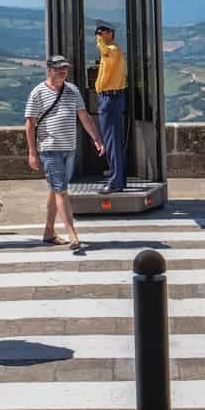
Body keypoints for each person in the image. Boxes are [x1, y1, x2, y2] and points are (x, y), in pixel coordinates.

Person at [24, 54, 104, 255]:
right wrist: (32, 152)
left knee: (55, 189)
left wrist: (96, 138)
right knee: (61, 191)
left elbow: (83, 115)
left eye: (65, 68)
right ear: (49, 69)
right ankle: (72, 234)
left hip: (69, 148)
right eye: (59, 68)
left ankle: (48, 232)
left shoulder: (72, 90)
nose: (63, 71)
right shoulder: (38, 92)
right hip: (49, 149)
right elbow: (30, 124)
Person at [94, 22, 127, 193]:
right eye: (97, 33)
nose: (98, 36)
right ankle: (118, 176)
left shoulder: (112, 50)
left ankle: (115, 181)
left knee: (112, 141)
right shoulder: (111, 51)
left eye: (102, 32)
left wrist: (100, 42)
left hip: (111, 98)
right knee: (112, 140)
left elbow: (106, 53)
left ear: (111, 33)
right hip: (108, 97)